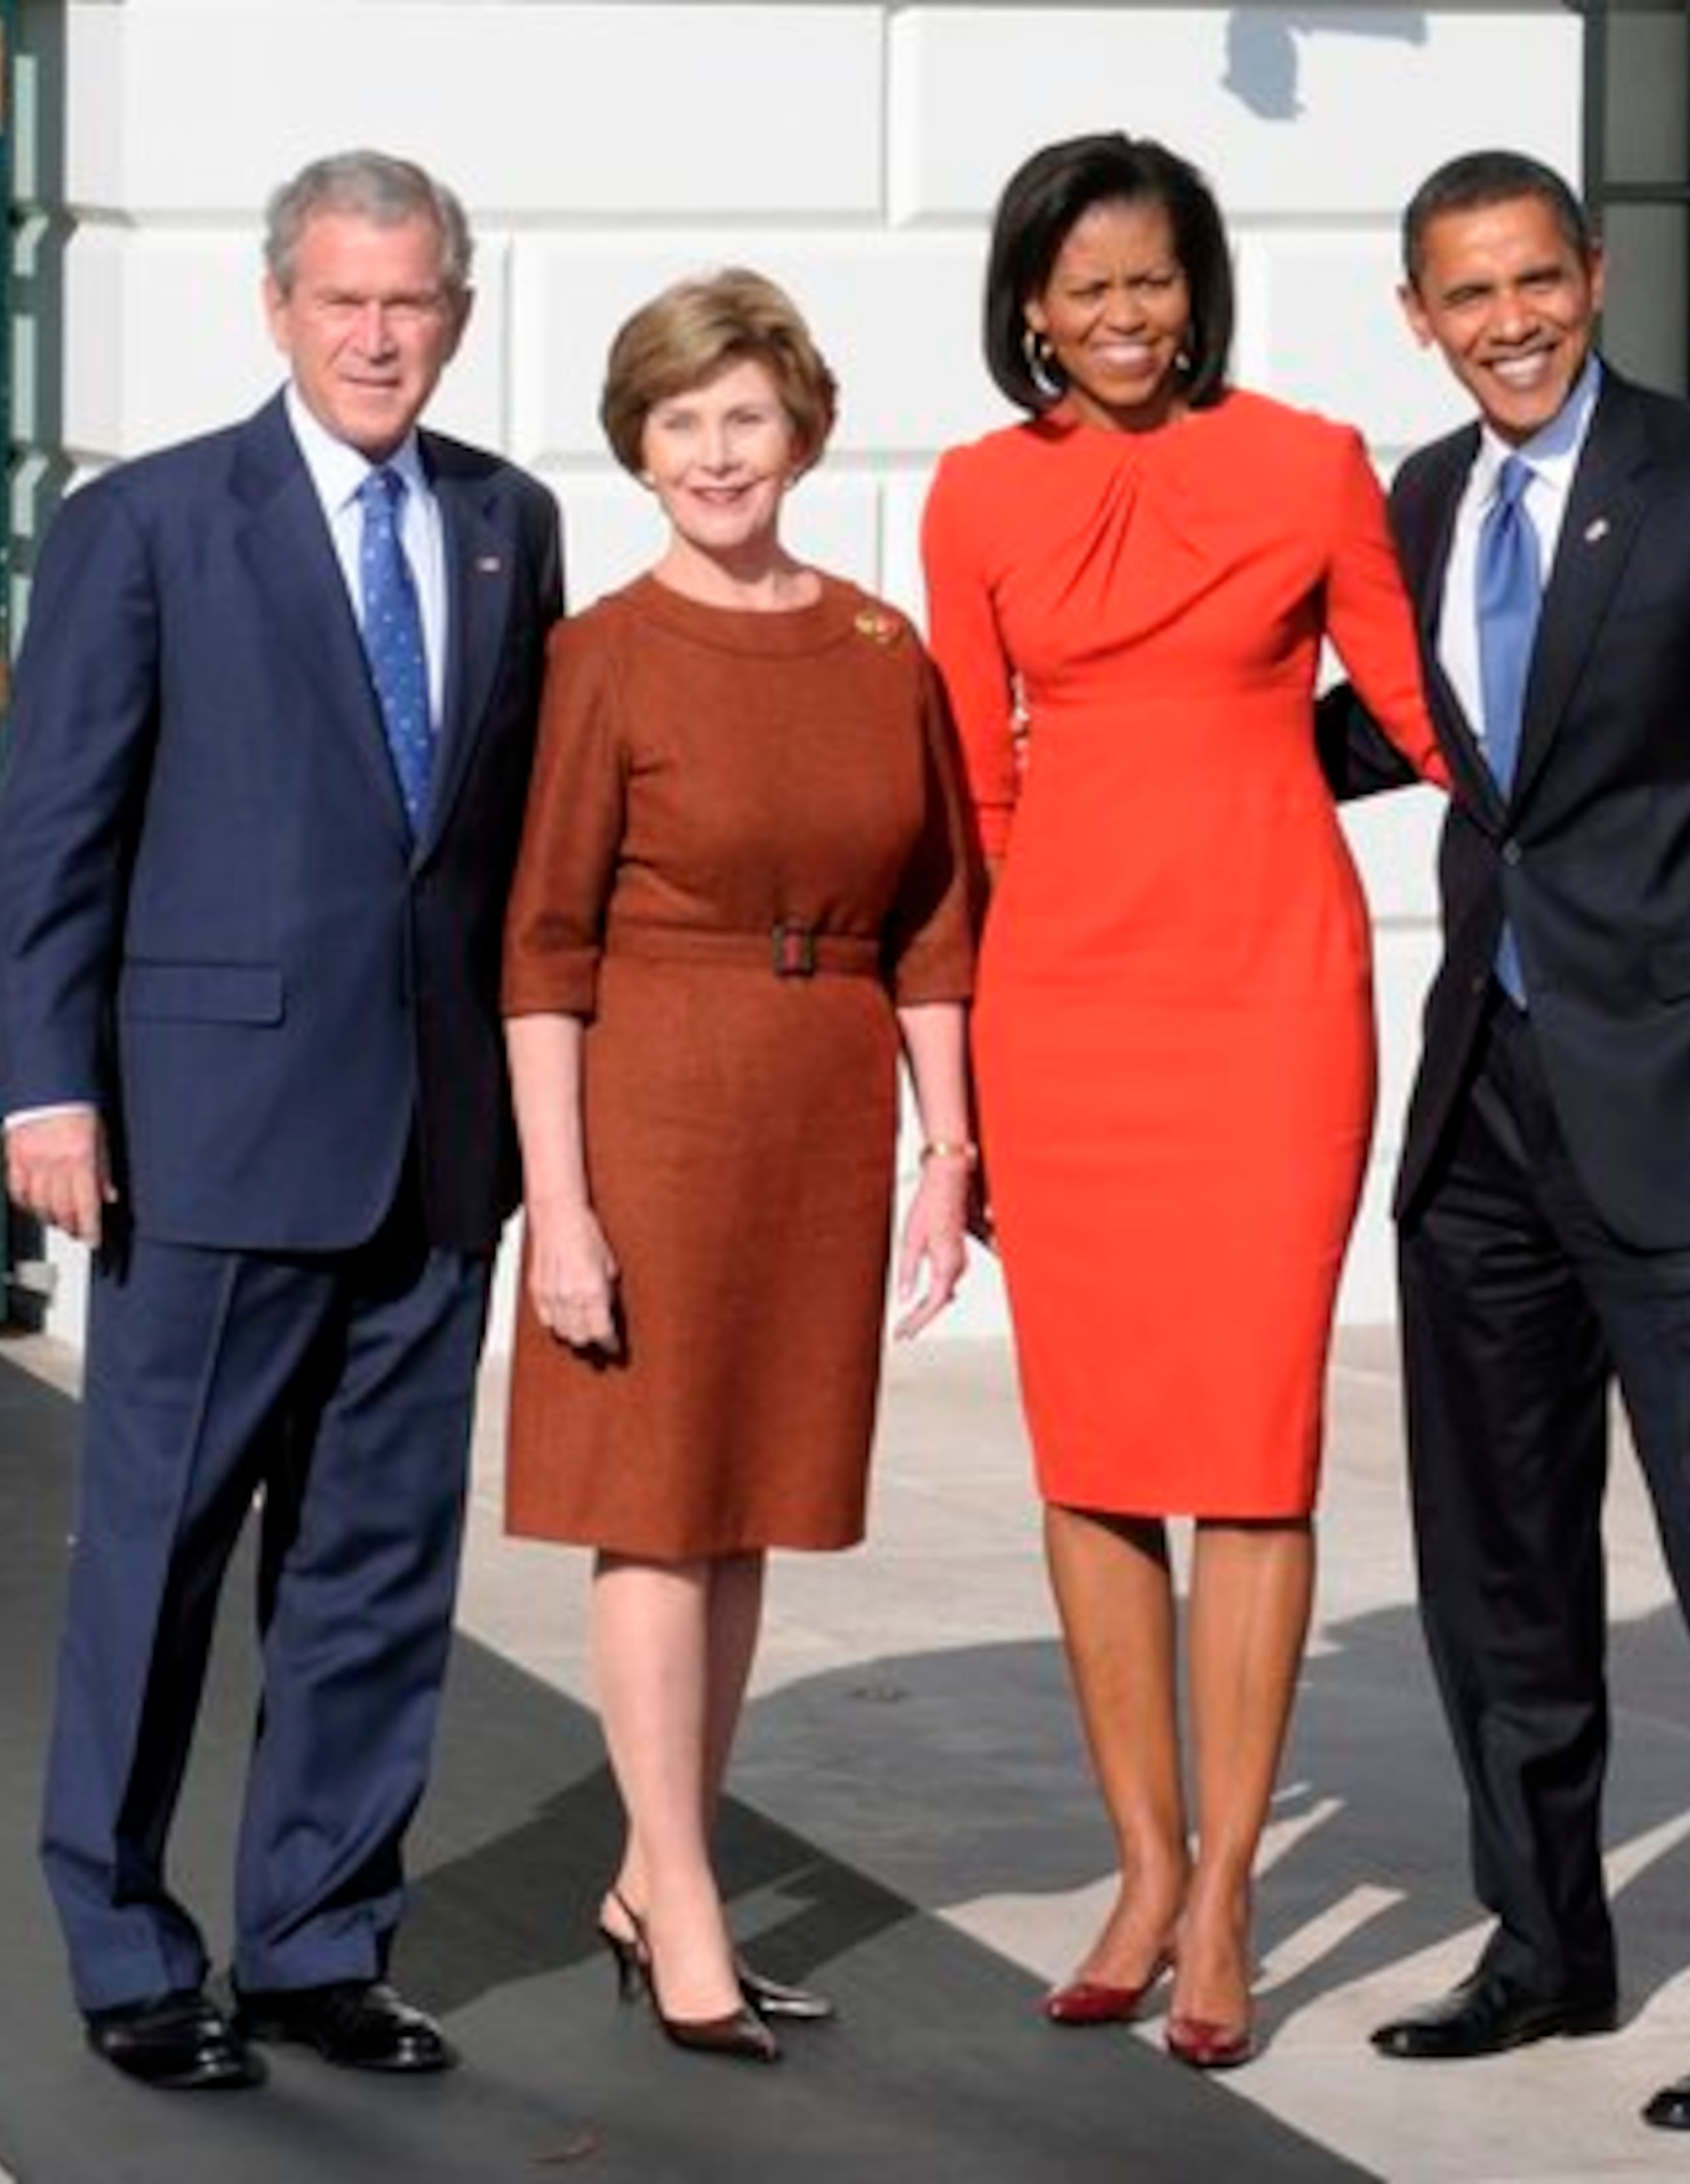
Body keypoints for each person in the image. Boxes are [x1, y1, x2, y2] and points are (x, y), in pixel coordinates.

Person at [1317, 148, 1690, 2131]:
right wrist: (1150, 735)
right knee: (1497, 1566)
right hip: (1484, 1103)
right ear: (1419, 315)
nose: (1510, 323)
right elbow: (1402, 729)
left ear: (1595, 272)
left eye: (1535, 282)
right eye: (1467, 294)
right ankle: (1545, 1943)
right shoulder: (1419, 499)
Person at [0, 149, 565, 2092]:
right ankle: (128, 1947)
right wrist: (47, 1081)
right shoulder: (147, 525)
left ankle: (320, 1944)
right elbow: (55, 828)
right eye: (344, 300)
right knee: (154, 1565)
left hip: (436, 1148)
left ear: (455, 314)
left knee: (377, 1575)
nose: (377, 337)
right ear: (278, 308)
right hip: (210, 1137)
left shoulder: (509, 522)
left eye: (410, 302)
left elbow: (501, 848)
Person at [919, 132, 1445, 2072]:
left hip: (1268, 998)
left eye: (1153, 280)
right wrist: (957, 1085)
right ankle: (1143, 1867)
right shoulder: (977, 494)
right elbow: (970, 794)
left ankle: (1227, 1894)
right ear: (1032, 309)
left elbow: (1428, 711)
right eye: (1089, 289)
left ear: (1197, 288)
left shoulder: (1311, 463)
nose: (1126, 316)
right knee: (1093, 1449)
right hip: (1065, 1009)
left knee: (1251, 1444)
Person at [501, 268, 979, 2067]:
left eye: (748, 417)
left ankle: (653, 1871)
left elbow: (935, 920)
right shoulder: (605, 653)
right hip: (653, 1101)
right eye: (681, 420)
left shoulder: (879, 648)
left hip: (824, 1105)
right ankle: (687, 1898)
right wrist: (563, 1206)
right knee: (656, 1501)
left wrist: (950, 1148)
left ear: (806, 431)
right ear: (638, 445)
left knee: (751, 1495)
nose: (716, 453)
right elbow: (543, 947)